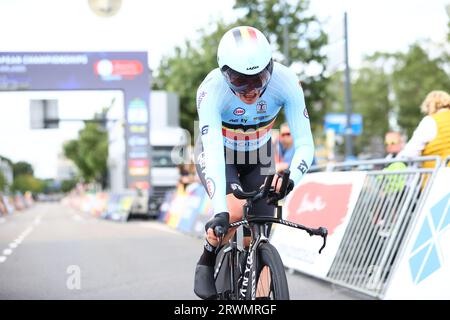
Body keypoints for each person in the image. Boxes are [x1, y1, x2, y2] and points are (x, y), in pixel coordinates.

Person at [193, 26, 315, 299]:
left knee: (260, 229)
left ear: (271, 67)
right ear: (225, 73)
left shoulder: (286, 82)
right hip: (219, 153)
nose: (251, 90)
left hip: (258, 155)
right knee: (235, 213)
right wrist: (220, 210)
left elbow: (306, 144)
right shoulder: (210, 91)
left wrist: (291, 178)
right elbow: (211, 151)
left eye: (259, 78)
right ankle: (208, 254)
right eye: (239, 80)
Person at [396, 90, 450, 168]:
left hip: (439, 175)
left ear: (430, 106)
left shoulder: (430, 121)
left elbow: (411, 151)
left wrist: (396, 162)